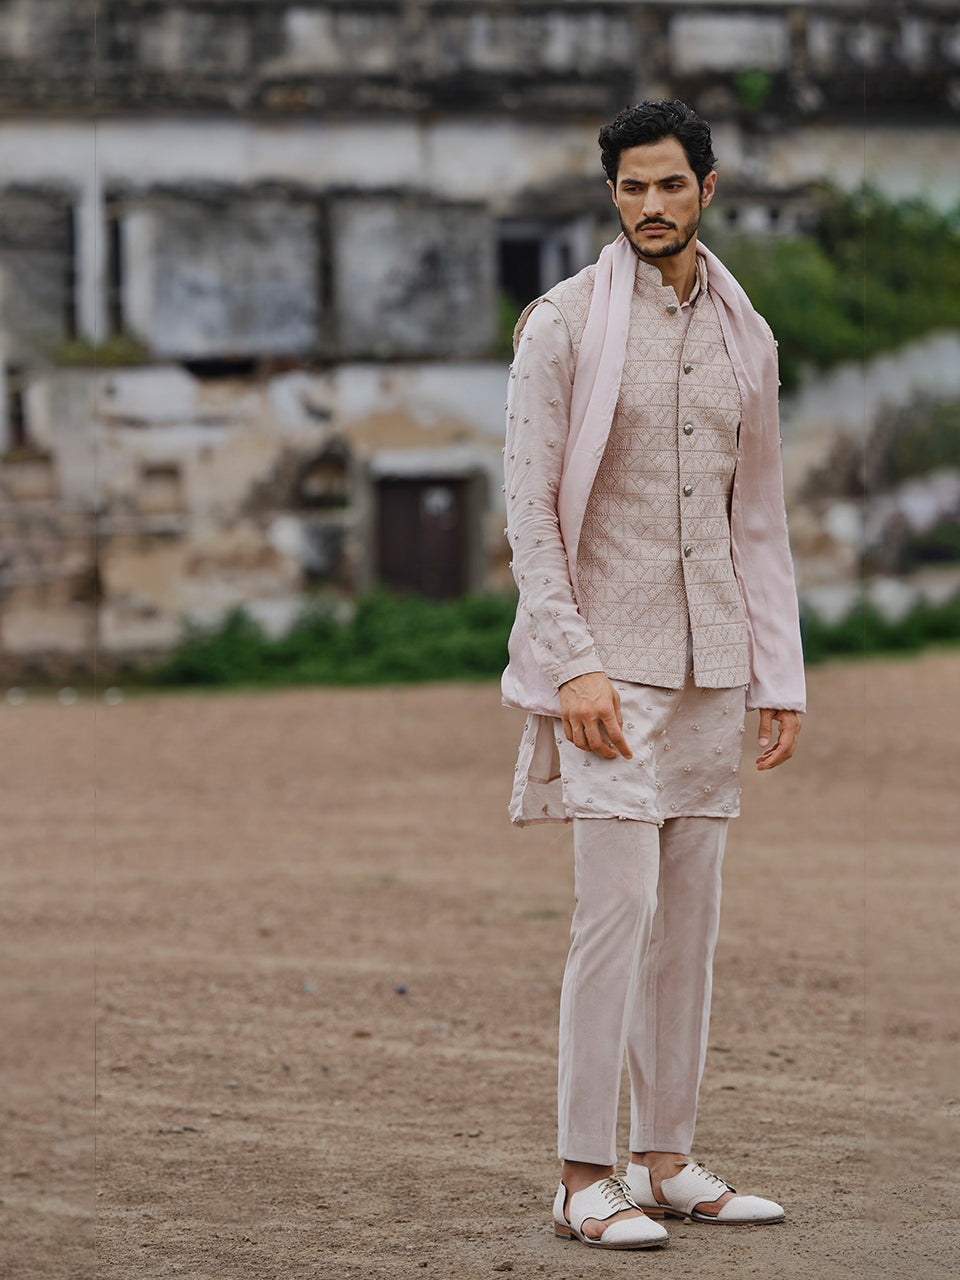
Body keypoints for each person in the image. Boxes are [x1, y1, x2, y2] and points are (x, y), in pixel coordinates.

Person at [501, 100, 805, 1251]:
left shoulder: (746, 332)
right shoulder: (564, 325)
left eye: (671, 184)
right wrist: (572, 663)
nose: (651, 206)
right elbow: (530, 514)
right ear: (612, 194)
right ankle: (584, 1172)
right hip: (608, 669)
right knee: (615, 915)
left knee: (691, 925)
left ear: (708, 189)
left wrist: (778, 672)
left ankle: (664, 1159)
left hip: (713, 666)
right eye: (631, 187)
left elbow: (758, 516)